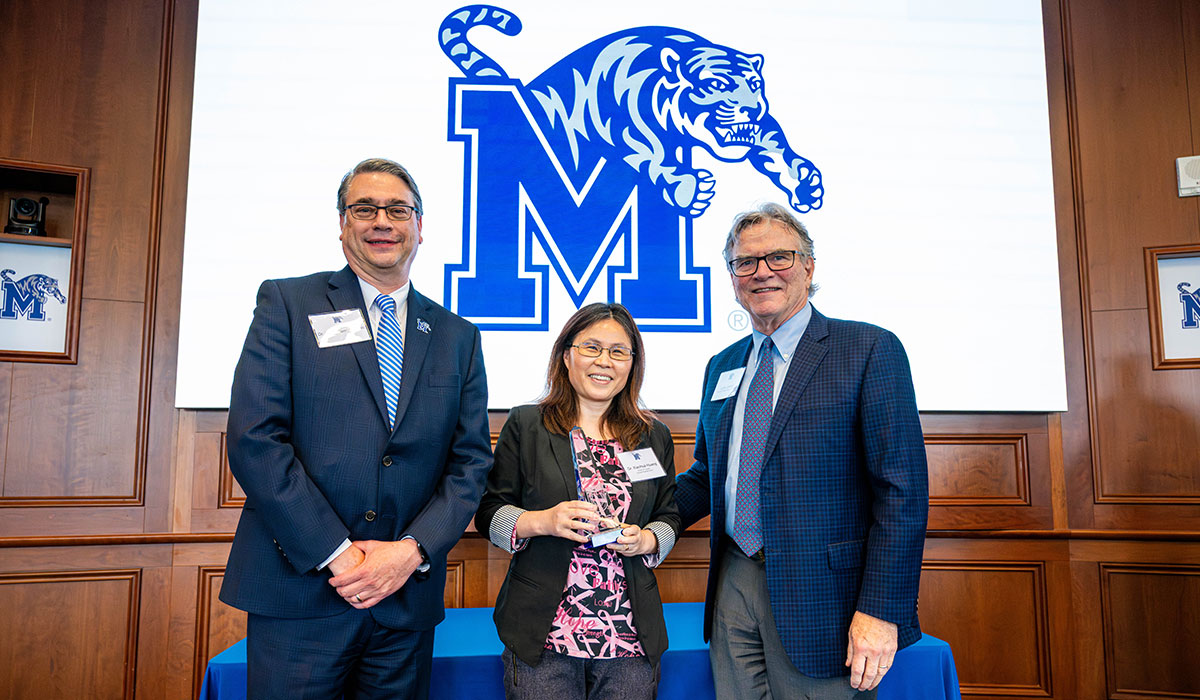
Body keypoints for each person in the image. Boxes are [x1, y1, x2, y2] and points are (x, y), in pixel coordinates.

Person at [219, 158, 493, 699]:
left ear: (420, 226)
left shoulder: (457, 336)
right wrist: (341, 555)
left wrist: (411, 551)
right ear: (342, 224)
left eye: (398, 209)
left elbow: (471, 464)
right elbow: (256, 439)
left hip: (404, 598)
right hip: (302, 591)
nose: (382, 221)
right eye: (364, 209)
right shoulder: (287, 303)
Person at [674, 202, 929, 699]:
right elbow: (709, 474)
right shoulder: (721, 366)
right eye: (744, 262)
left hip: (827, 601)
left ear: (808, 267)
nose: (761, 271)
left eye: (779, 257)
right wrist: (640, 517)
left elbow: (902, 492)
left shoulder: (868, 349)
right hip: (733, 582)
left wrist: (880, 610)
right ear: (732, 277)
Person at [475, 303, 681, 700]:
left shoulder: (653, 435)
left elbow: (668, 515)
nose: (605, 361)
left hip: (630, 636)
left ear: (632, 364)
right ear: (566, 355)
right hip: (545, 635)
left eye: (619, 351)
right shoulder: (526, 424)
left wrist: (648, 541)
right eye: (592, 347)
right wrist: (542, 522)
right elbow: (489, 513)